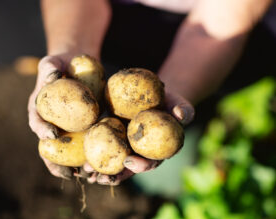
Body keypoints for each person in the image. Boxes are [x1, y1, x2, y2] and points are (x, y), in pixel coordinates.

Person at [28, 0, 273, 185]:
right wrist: (70, 56)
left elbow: (222, 21)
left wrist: (179, 88)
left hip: (216, 36)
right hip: (108, 18)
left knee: (168, 175)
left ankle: (199, 112)